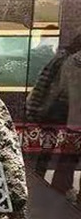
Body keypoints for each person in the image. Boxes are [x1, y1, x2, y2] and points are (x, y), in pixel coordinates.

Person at [27, 34, 81, 202]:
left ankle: (40, 188)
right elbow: (53, 87)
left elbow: (44, 84)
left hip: (56, 111)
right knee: (53, 154)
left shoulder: (64, 59)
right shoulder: (68, 61)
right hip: (57, 111)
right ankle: (40, 189)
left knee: (48, 153)